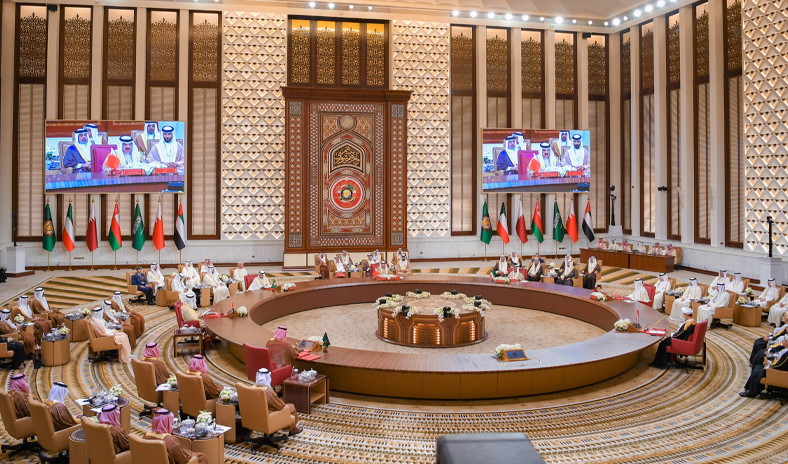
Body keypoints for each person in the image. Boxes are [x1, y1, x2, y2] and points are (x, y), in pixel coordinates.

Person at [254, 368, 302, 435]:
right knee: (291, 407)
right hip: (268, 416)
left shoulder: (252, 388)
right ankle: (292, 429)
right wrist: (281, 401)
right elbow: (280, 406)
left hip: (257, 416)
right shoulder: (268, 392)